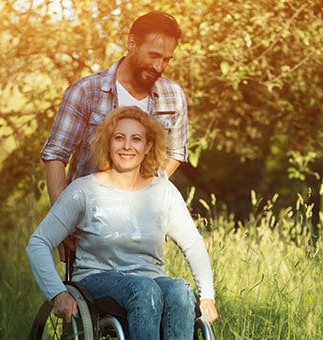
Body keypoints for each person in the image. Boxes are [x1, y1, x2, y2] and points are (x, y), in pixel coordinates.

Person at [27, 106, 218, 339]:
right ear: (108, 143)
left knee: (181, 291)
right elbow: (38, 242)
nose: (127, 146)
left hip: (151, 282)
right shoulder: (84, 190)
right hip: (97, 281)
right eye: (119, 138)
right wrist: (57, 293)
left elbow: (193, 245)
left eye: (136, 139)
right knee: (143, 289)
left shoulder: (163, 192)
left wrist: (207, 296)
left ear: (148, 146)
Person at [40, 11, 189, 262]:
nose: (158, 66)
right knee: (92, 298)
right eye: (153, 55)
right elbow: (55, 156)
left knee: (147, 293)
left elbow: (176, 153)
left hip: (144, 230)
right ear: (131, 44)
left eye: (166, 59)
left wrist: (142, 187)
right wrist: (63, 221)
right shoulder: (86, 91)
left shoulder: (173, 95)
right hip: (89, 228)